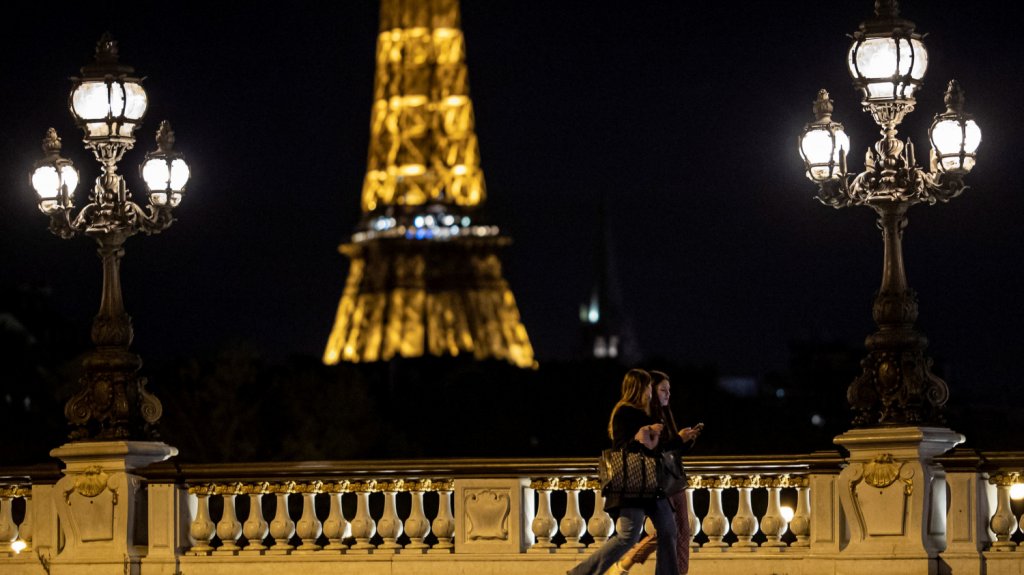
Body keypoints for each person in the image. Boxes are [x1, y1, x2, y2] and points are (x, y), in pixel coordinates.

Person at [568, 369, 680, 575]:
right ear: (639, 388)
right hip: (633, 484)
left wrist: (678, 439)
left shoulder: (649, 413)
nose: (650, 390)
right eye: (648, 386)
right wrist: (639, 437)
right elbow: (620, 449)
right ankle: (581, 573)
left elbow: (656, 449)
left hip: (652, 483)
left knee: (668, 530)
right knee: (628, 536)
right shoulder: (624, 412)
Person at [609, 370, 702, 575]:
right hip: (659, 480)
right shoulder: (644, 415)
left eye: (669, 390)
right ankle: (627, 562)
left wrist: (686, 440)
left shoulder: (663, 413)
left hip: (674, 477)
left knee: (678, 531)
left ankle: (667, 570)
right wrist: (677, 439)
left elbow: (670, 449)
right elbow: (656, 449)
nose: (667, 394)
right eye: (662, 389)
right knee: (669, 531)